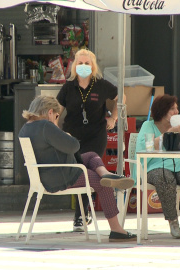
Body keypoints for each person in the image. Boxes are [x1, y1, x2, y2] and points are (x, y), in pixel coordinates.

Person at [19, 95, 136, 242]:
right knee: (103, 185)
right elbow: (73, 146)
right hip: (62, 175)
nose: (56, 119)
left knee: (91, 155)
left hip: (45, 174)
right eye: (56, 116)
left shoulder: (25, 128)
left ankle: (105, 173)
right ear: (50, 112)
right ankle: (116, 230)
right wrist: (62, 132)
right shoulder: (46, 126)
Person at [57, 49, 126, 232]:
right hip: (72, 136)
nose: (84, 66)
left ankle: (81, 215)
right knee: (79, 171)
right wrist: (55, 130)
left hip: (96, 135)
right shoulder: (68, 87)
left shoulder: (101, 85)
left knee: (89, 169)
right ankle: (83, 211)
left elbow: (122, 97)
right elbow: (56, 110)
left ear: (93, 66)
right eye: (80, 63)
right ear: (74, 66)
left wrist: (114, 118)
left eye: (87, 63)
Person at [136, 94, 180, 240]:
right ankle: (173, 222)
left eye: (177, 109)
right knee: (165, 178)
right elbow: (143, 148)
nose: (176, 112)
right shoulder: (147, 126)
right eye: (172, 109)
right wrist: (167, 133)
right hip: (156, 166)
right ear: (162, 111)